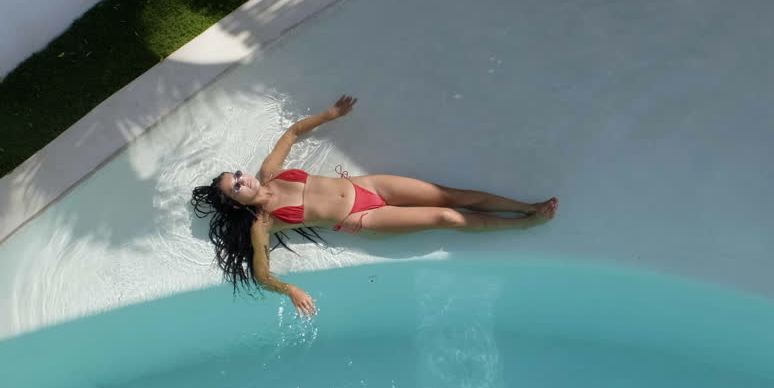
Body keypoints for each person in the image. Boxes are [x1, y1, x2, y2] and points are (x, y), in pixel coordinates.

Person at [191, 95, 558, 316]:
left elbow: (292, 134)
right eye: (236, 186)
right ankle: (526, 223)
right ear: (235, 203)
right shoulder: (263, 224)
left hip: (367, 186)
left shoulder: (271, 173)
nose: (244, 180)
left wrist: (329, 115)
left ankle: (527, 205)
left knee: (452, 195)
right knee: (447, 216)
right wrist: (292, 291)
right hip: (363, 216)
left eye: (238, 174)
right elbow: (262, 274)